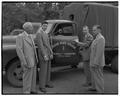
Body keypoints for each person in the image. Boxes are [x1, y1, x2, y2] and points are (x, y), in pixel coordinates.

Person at [16, 22, 38, 94]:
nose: (32, 29)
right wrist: (24, 61)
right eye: (31, 27)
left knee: (33, 76)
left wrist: (36, 58)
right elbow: (19, 50)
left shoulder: (30, 36)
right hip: (27, 60)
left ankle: (32, 90)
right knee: (27, 77)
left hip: (33, 59)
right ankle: (26, 92)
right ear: (27, 28)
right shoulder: (20, 36)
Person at [35, 22, 53, 93]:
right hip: (44, 54)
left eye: (46, 26)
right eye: (44, 26)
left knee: (48, 70)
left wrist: (51, 52)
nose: (45, 27)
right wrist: (44, 55)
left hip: (48, 53)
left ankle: (47, 83)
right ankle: (42, 86)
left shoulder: (45, 33)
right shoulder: (39, 33)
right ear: (41, 26)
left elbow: (48, 44)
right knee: (43, 71)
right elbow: (40, 46)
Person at [88, 25, 105, 93]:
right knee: (94, 76)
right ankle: (94, 87)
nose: (93, 31)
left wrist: (96, 63)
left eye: (94, 30)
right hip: (93, 61)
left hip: (97, 63)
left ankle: (101, 91)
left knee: (98, 77)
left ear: (99, 30)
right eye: (92, 30)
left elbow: (99, 53)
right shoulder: (96, 38)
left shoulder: (101, 38)